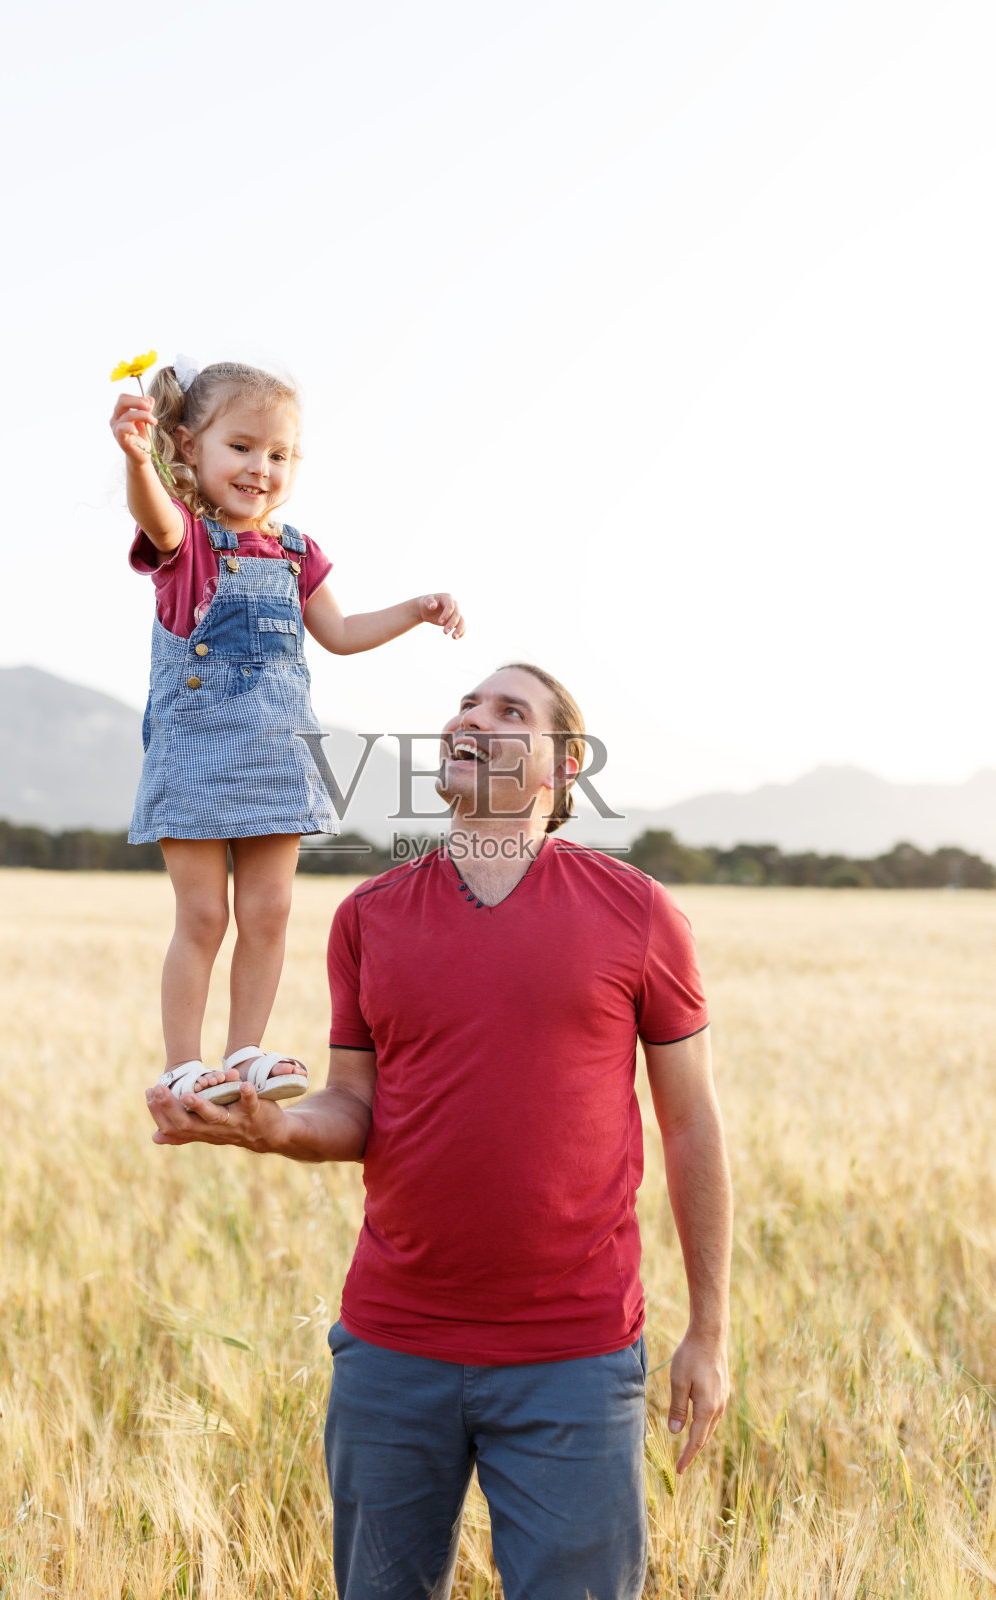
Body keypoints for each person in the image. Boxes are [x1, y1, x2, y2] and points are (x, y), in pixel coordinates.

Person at [146, 661, 732, 1600]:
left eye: (510, 711)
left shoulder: (637, 912)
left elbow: (692, 1125)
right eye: (465, 703)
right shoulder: (368, 917)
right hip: (390, 1351)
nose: (472, 717)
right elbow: (355, 1109)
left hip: (573, 1359)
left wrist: (709, 1329)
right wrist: (268, 1128)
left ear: (563, 765)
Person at [110, 356, 464, 1108]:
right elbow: (155, 514)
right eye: (240, 446)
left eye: (279, 454)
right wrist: (137, 462)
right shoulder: (190, 543)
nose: (259, 467)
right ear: (188, 447)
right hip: (199, 755)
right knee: (202, 915)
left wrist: (414, 608)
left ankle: (245, 1051)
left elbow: (336, 631)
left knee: (269, 912)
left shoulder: (297, 550)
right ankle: (183, 1061)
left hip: (277, 756)